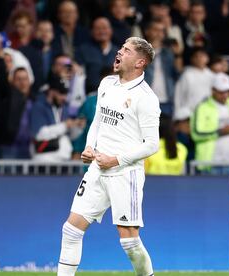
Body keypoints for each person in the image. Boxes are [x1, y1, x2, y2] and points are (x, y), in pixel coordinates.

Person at [57, 37, 160, 276]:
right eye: (121, 48)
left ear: (140, 62)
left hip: (126, 174)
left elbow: (152, 145)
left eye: (126, 50)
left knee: (130, 243)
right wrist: (89, 146)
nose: (120, 52)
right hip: (97, 170)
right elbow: (98, 121)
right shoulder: (107, 84)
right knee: (71, 230)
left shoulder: (146, 98)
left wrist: (116, 159)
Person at [190, 72, 229, 175]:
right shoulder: (202, 108)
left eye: (227, 91)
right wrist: (220, 132)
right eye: (221, 91)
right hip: (211, 166)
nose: (225, 95)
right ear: (213, 90)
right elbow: (196, 134)